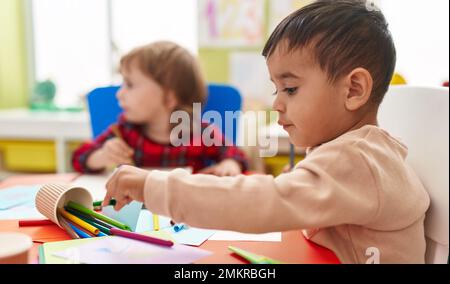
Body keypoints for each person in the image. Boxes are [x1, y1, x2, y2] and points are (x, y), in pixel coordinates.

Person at [103, 1, 430, 264]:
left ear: (353, 89)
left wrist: (154, 186)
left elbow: (264, 201)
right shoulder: (355, 153)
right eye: (276, 88)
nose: (276, 103)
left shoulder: (359, 160)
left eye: (289, 88)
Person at [72, 41, 248, 176]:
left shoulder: (200, 133)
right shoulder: (124, 131)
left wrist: (230, 164)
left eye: (130, 85)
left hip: (187, 216)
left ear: (169, 97)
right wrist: (103, 155)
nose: (119, 94)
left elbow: (236, 155)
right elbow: (79, 158)